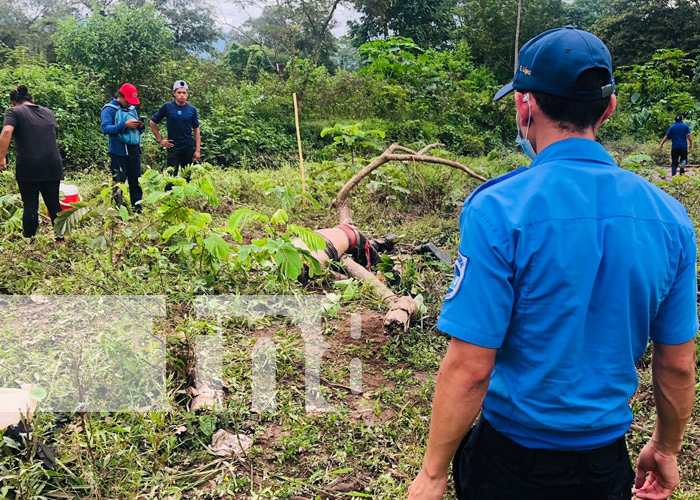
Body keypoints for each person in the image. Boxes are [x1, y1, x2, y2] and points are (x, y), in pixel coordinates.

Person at [408, 26, 697, 500]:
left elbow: (471, 367)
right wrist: (666, 447)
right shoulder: (671, 218)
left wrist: (433, 474)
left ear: (525, 106)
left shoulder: (498, 210)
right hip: (606, 465)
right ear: (609, 108)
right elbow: (678, 363)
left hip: (510, 465)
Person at [0, 85, 65, 244]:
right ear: (32, 100)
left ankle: (30, 243)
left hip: (30, 165)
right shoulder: (48, 112)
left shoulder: (13, 112)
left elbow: (7, 131)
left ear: (14, 102)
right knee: (53, 203)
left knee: (30, 205)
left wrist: (1, 156)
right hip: (52, 163)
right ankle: (60, 240)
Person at [101, 82, 145, 212]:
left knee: (135, 182)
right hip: (118, 152)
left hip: (134, 150)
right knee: (119, 183)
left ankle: (138, 210)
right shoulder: (109, 109)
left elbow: (138, 132)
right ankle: (120, 212)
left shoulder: (132, 109)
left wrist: (140, 126)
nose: (130, 104)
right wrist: (124, 125)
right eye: (128, 101)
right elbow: (105, 129)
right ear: (120, 96)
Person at [149, 80, 201, 176]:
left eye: (184, 92)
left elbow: (196, 129)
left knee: (187, 176)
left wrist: (197, 150)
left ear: (187, 94)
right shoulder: (167, 107)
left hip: (187, 146)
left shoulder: (192, 110)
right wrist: (160, 140)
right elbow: (152, 122)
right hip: (173, 146)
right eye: (179, 92)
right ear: (174, 94)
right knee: (171, 176)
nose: (182, 95)